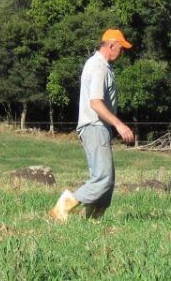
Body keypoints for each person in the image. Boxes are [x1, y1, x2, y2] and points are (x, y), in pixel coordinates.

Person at [49, 28, 136, 221]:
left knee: (107, 179)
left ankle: (93, 220)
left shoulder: (98, 65)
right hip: (95, 126)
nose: (121, 53)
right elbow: (96, 102)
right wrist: (119, 125)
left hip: (98, 128)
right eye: (121, 48)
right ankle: (63, 206)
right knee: (103, 178)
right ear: (111, 45)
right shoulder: (99, 67)